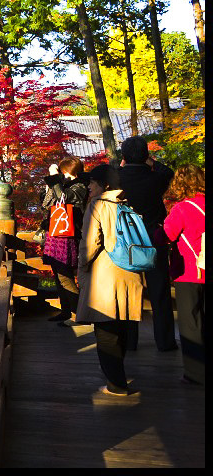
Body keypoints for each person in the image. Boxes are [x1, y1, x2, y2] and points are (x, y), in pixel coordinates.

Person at [76, 163, 144, 396]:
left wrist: (81, 269)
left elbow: (89, 245)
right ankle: (117, 375)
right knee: (121, 326)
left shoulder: (97, 205)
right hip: (129, 271)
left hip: (105, 275)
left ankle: (116, 383)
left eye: (92, 183)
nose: (89, 187)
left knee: (105, 330)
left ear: (104, 185)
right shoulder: (126, 203)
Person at [117, 136, 177, 352]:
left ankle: (129, 341)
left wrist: (122, 163)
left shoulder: (118, 179)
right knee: (159, 290)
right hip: (153, 237)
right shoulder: (155, 179)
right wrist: (149, 161)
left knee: (128, 290)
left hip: (126, 241)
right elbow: (169, 173)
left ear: (123, 156)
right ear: (145, 156)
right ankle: (165, 341)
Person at [163, 164, 205, 385]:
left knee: (191, 324)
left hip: (190, 272)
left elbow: (165, 235)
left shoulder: (182, 208)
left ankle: (196, 374)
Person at [39, 156, 88, 325]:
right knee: (58, 275)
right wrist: (50, 186)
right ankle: (66, 310)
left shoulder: (80, 186)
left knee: (65, 275)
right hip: (55, 233)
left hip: (67, 236)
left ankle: (78, 314)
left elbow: (64, 198)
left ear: (67, 170)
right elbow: (46, 204)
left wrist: (54, 179)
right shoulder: (62, 184)